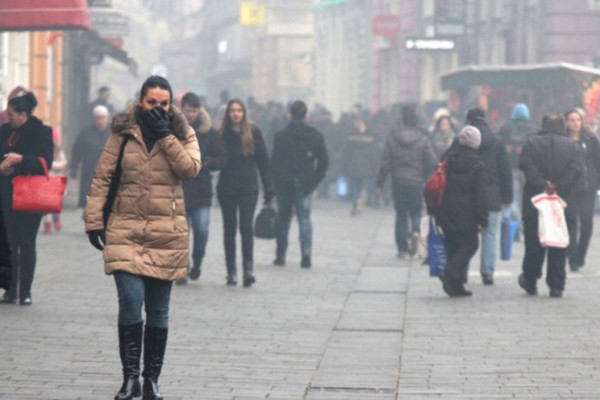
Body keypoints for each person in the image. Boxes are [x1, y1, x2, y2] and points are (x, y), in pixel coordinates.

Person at [85, 76, 201, 399]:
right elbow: (102, 176)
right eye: (152, 103)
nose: (158, 109)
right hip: (125, 229)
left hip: (167, 234)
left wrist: (166, 136)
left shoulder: (182, 131)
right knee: (131, 303)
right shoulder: (123, 132)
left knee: (159, 310)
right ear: (141, 101)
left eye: (164, 104)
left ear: (171, 104)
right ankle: (130, 378)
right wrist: (94, 221)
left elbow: (190, 168)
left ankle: (151, 380)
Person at [518, 113, 585, 298]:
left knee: (534, 244)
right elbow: (576, 170)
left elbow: (525, 164)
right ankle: (556, 285)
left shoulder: (531, 143)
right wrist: (558, 186)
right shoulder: (573, 147)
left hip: (535, 202)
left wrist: (542, 184)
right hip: (563, 203)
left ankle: (530, 280)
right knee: (559, 244)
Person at [0, 92, 53, 305]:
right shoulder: (3, 131)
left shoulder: (42, 132)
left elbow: (45, 163)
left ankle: (26, 291)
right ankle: (10, 290)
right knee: (9, 244)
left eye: (12, 114)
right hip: (5, 195)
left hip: (30, 197)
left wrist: (21, 159)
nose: (8, 117)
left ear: (23, 114)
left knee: (27, 244)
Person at [217, 99, 274, 287]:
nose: (236, 114)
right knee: (229, 229)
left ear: (244, 113)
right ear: (228, 114)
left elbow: (264, 162)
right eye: (232, 110)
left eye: (239, 110)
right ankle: (231, 271)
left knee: (246, 228)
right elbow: (215, 158)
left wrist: (268, 189)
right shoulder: (222, 134)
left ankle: (248, 269)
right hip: (226, 188)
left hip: (248, 188)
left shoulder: (254, 132)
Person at [271, 100, 329, 268]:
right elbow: (324, 162)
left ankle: (281, 254)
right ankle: (306, 252)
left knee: (284, 219)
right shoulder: (315, 135)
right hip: (305, 183)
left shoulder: (281, 136)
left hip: (285, 184)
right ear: (306, 115)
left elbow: (274, 163)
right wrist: (315, 180)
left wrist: (275, 184)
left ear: (289, 115)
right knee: (304, 218)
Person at [177, 92, 226, 285]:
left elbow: (222, 157)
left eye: (194, 111)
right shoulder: (173, 130)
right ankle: (181, 268)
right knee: (179, 233)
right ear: (182, 110)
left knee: (202, 230)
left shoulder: (209, 133)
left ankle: (197, 261)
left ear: (199, 111)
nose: (191, 115)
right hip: (178, 190)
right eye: (188, 111)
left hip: (202, 190)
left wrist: (208, 163)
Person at [376, 104, 437, 258]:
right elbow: (432, 161)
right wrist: (425, 176)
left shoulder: (393, 137)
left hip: (398, 180)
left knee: (401, 214)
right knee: (416, 212)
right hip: (417, 181)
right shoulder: (423, 138)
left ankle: (402, 249)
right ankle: (416, 232)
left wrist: (379, 183)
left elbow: (385, 163)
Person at [436, 126, 488, 297]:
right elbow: (481, 195)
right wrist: (483, 219)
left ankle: (456, 286)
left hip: (446, 208)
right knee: (470, 245)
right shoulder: (478, 165)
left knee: (453, 245)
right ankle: (449, 273)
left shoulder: (448, 159)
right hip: (467, 212)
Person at [464, 108, 512, 285]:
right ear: (485, 120)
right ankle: (487, 272)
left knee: (466, 234)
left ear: (468, 121)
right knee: (490, 234)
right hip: (492, 195)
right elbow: (505, 172)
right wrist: (507, 197)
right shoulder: (497, 142)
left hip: (467, 195)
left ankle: (462, 271)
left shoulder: (463, 141)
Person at [564, 109, 600, 271]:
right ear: (566, 122)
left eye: (577, 120)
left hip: (588, 186)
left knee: (586, 223)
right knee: (571, 222)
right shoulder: (562, 140)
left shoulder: (591, 139)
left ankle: (580, 255)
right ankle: (571, 257)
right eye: (571, 120)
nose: (575, 123)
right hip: (570, 187)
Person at [498, 103, 535, 232]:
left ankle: (517, 226)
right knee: (527, 199)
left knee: (514, 199)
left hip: (511, 167)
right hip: (528, 170)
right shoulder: (532, 130)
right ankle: (526, 225)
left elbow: (498, 146)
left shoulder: (505, 128)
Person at [70, 105, 111, 210]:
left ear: (107, 118)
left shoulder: (114, 133)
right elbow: (76, 151)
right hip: (89, 172)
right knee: (89, 203)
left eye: (102, 118)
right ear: (94, 119)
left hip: (109, 172)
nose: (100, 121)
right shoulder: (85, 133)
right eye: (98, 118)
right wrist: (74, 167)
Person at [341, 118, 378, 215]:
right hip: (366, 167)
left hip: (352, 166)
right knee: (361, 186)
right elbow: (373, 155)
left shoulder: (350, 139)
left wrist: (344, 166)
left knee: (353, 186)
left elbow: (346, 155)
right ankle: (359, 201)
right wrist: (374, 167)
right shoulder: (371, 140)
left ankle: (357, 202)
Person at [43, 129, 67, 234]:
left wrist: (52, 165)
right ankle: (47, 223)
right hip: (47, 179)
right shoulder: (43, 150)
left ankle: (56, 218)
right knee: (47, 203)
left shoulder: (59, 151)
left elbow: (63, 162)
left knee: (56, 203)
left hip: (57, 179)